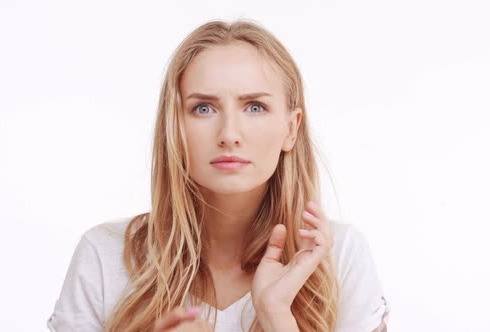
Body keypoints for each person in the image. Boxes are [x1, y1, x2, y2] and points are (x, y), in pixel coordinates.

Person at [47, 19, 390, 332]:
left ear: (291, 128)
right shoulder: (103, 255)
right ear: (174, 127)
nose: (229, 133)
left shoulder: (339, 257)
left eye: (255, 107)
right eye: (203, 108)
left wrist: (276, 317)